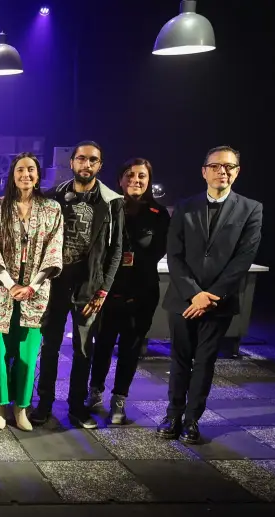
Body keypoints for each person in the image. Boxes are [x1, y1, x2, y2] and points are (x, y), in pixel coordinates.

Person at [157, 146, 262, 445]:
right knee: (179, 360)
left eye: (229, 167)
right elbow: (174, 256)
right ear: (204, 171)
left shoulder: (251, 209)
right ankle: (172, 415)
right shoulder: (184, 206)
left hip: (219, 302)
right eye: (216, 166)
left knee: (204, 363)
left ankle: (192, 421)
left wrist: (210, 295)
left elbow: (243, 259)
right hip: (183, 299)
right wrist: (194, 294)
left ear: (237, 172)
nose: (222, 171)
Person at [31, 141, 125, 429]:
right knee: (49, 346)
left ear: (99, 165)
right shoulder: (53, 196)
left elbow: (116, 250)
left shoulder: (111, 202)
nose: (86, 164)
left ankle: (76, 407)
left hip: (89, 287)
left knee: (84, 350)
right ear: (71, 162)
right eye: (81, 159)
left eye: (93, 160)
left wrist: (103, 289)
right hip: (57, 284)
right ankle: (43, 404)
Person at [0, 153, 64, 431]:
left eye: (30, 169)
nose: (25, 174)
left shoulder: (52, 209)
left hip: (35, 293)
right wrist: (10, 283)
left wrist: (33, 285)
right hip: (1, 292)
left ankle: (21, 408)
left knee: (28, 353)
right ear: (12, 174)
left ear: (38, 175)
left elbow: (54, 249)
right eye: (20, 169)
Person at [88, 159, 170, 424]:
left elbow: (158, 250)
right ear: (120, 180)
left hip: (141, 293)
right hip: (109, 292)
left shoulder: (159, 214)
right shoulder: (110, 207)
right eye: (129, 175)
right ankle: (95, 391)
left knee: (130, 349)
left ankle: (119, 399)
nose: (136, 179)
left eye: (142, 176)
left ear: (149, 180)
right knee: (101, 345)